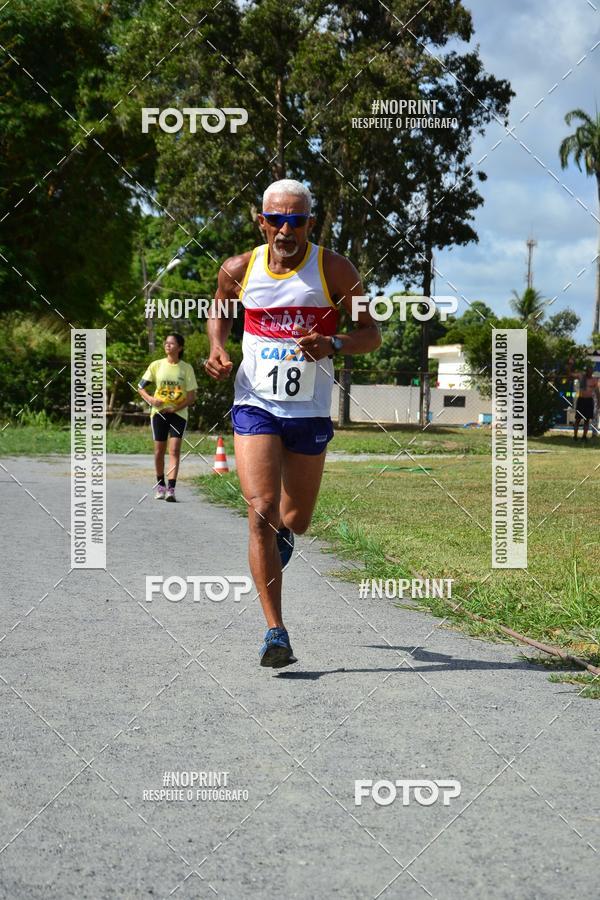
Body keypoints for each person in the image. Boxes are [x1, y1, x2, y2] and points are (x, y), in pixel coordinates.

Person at [205, 179, 381, 668]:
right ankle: (275, 632)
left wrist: (335, 344)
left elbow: (372, 334)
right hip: (255, 403)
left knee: (295, 520)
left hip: (309, 411)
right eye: (277, 219)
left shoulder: (335, 270)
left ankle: (284, 536)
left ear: (310, 223)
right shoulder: (238, 269)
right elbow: (219, 309)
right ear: (261, 221)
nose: (286, 228)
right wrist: (217, 348)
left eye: (297, 219)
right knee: (260, 510)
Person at [138, 333, 198, 501]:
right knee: (159, 451)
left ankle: (171, 488)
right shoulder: (156, 365)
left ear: (180, 348)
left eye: (172, 344)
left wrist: (175, 408)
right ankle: (160, 485)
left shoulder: (186, 368)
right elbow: (140, 387)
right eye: (166, 343)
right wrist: (151, 399)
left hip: (178, 413)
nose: (168, 345)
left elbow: (192, 396)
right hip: (159, 414)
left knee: (175, 450)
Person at [567, 357, 599, 441]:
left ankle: (584, 436)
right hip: (581, 399)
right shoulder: (581, 376)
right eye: (588, 371)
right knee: (577, 419)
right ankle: (575, 436)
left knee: (587, 420)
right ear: (586, 371)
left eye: (591, 371)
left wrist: (599, 403)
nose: (590, 372)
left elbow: (597, 392)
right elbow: (571, 374)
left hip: (589, 400)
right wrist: (570, 365)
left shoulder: (594, 380)